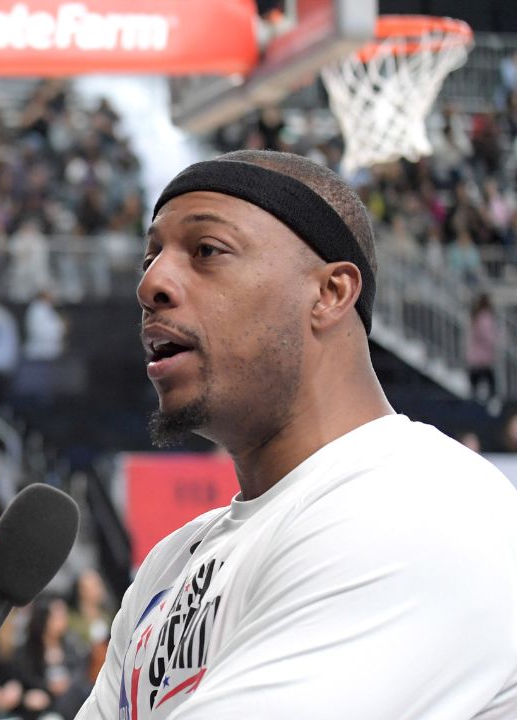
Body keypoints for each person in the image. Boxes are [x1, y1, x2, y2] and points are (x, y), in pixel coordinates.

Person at [77, 150, 517, 719]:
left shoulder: (422, 505)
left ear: (331, 293)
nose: (151, 283)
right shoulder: (172, 563)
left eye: (207, 251)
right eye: (150, 256)